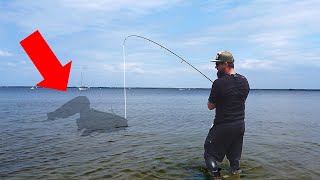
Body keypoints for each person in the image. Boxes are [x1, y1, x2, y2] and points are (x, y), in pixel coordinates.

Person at [204, 51, 250, 179]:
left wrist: (219, 90)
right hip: (240, 125)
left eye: (218, 64)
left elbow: (210, 106)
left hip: (223, 125)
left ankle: (216, 177)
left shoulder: (218, 83)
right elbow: (238, 99)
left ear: (225, 64)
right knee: (234, 159)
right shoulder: (244, 80)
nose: (215, 67)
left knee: (209, 155)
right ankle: (235, 175)